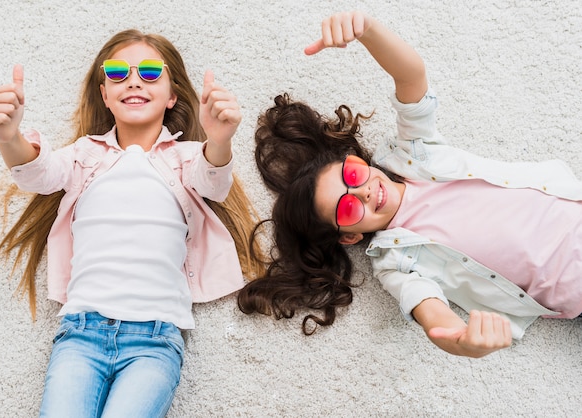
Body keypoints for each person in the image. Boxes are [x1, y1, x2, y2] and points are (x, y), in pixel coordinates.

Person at [237, 11, 582, 359]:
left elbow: (411, 75)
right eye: (348, 206)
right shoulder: (395, 261)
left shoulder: (413, 155)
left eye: (352, 176)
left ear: (355, 161)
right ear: (349, 236)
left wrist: (366, 29)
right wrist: (463, 342)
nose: (365, 191)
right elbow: (433, 316)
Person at [0, 29, 262, 417]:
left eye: (150, 72)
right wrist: (7, 135)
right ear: (104, 95)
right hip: (80, 334)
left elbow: (214, 183)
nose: (133, 79)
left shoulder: (185, 158)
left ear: (173, 96)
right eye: (117, 72)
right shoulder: (86, 154)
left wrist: (220, 140)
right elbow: (39, 174)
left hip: (154, 342)